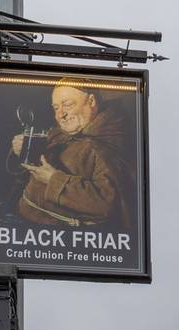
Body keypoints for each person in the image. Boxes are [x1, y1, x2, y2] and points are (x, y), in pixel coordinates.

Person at [10, 81, 134, 231]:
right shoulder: (59, 134)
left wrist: (52, 179)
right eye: (56, 108)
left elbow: (106, 204)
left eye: (67, 104)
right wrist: (22, 153)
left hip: (64, 239)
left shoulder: (108, 145)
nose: (60, 115)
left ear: (91, 101)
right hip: (22, 221)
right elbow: (27, 175)